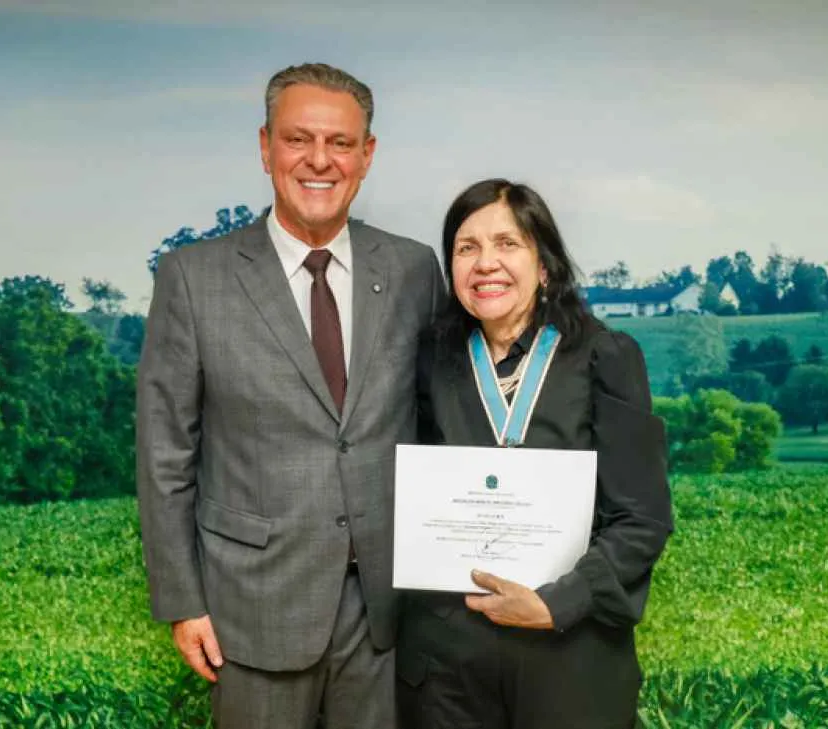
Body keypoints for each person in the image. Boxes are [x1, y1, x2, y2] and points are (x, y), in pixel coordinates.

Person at [137, 62, 444, 729]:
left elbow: (443, 419)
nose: (319, 160)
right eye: (299, 139)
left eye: (339, 143)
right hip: (252, 607)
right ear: (264, 146)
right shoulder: (193, 278)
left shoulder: (415, 268)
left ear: (367, 155)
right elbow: (166, 454)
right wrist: (183, 601)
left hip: (388, 612)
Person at [396, 178, 673, 729]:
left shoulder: (607, 357)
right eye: (466, 247)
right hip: (448, 669)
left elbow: (642, 518)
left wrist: (558, 603)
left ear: (544, 265)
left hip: (569, 658)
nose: (485, 263)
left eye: (507, 244)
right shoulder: (429, 361)